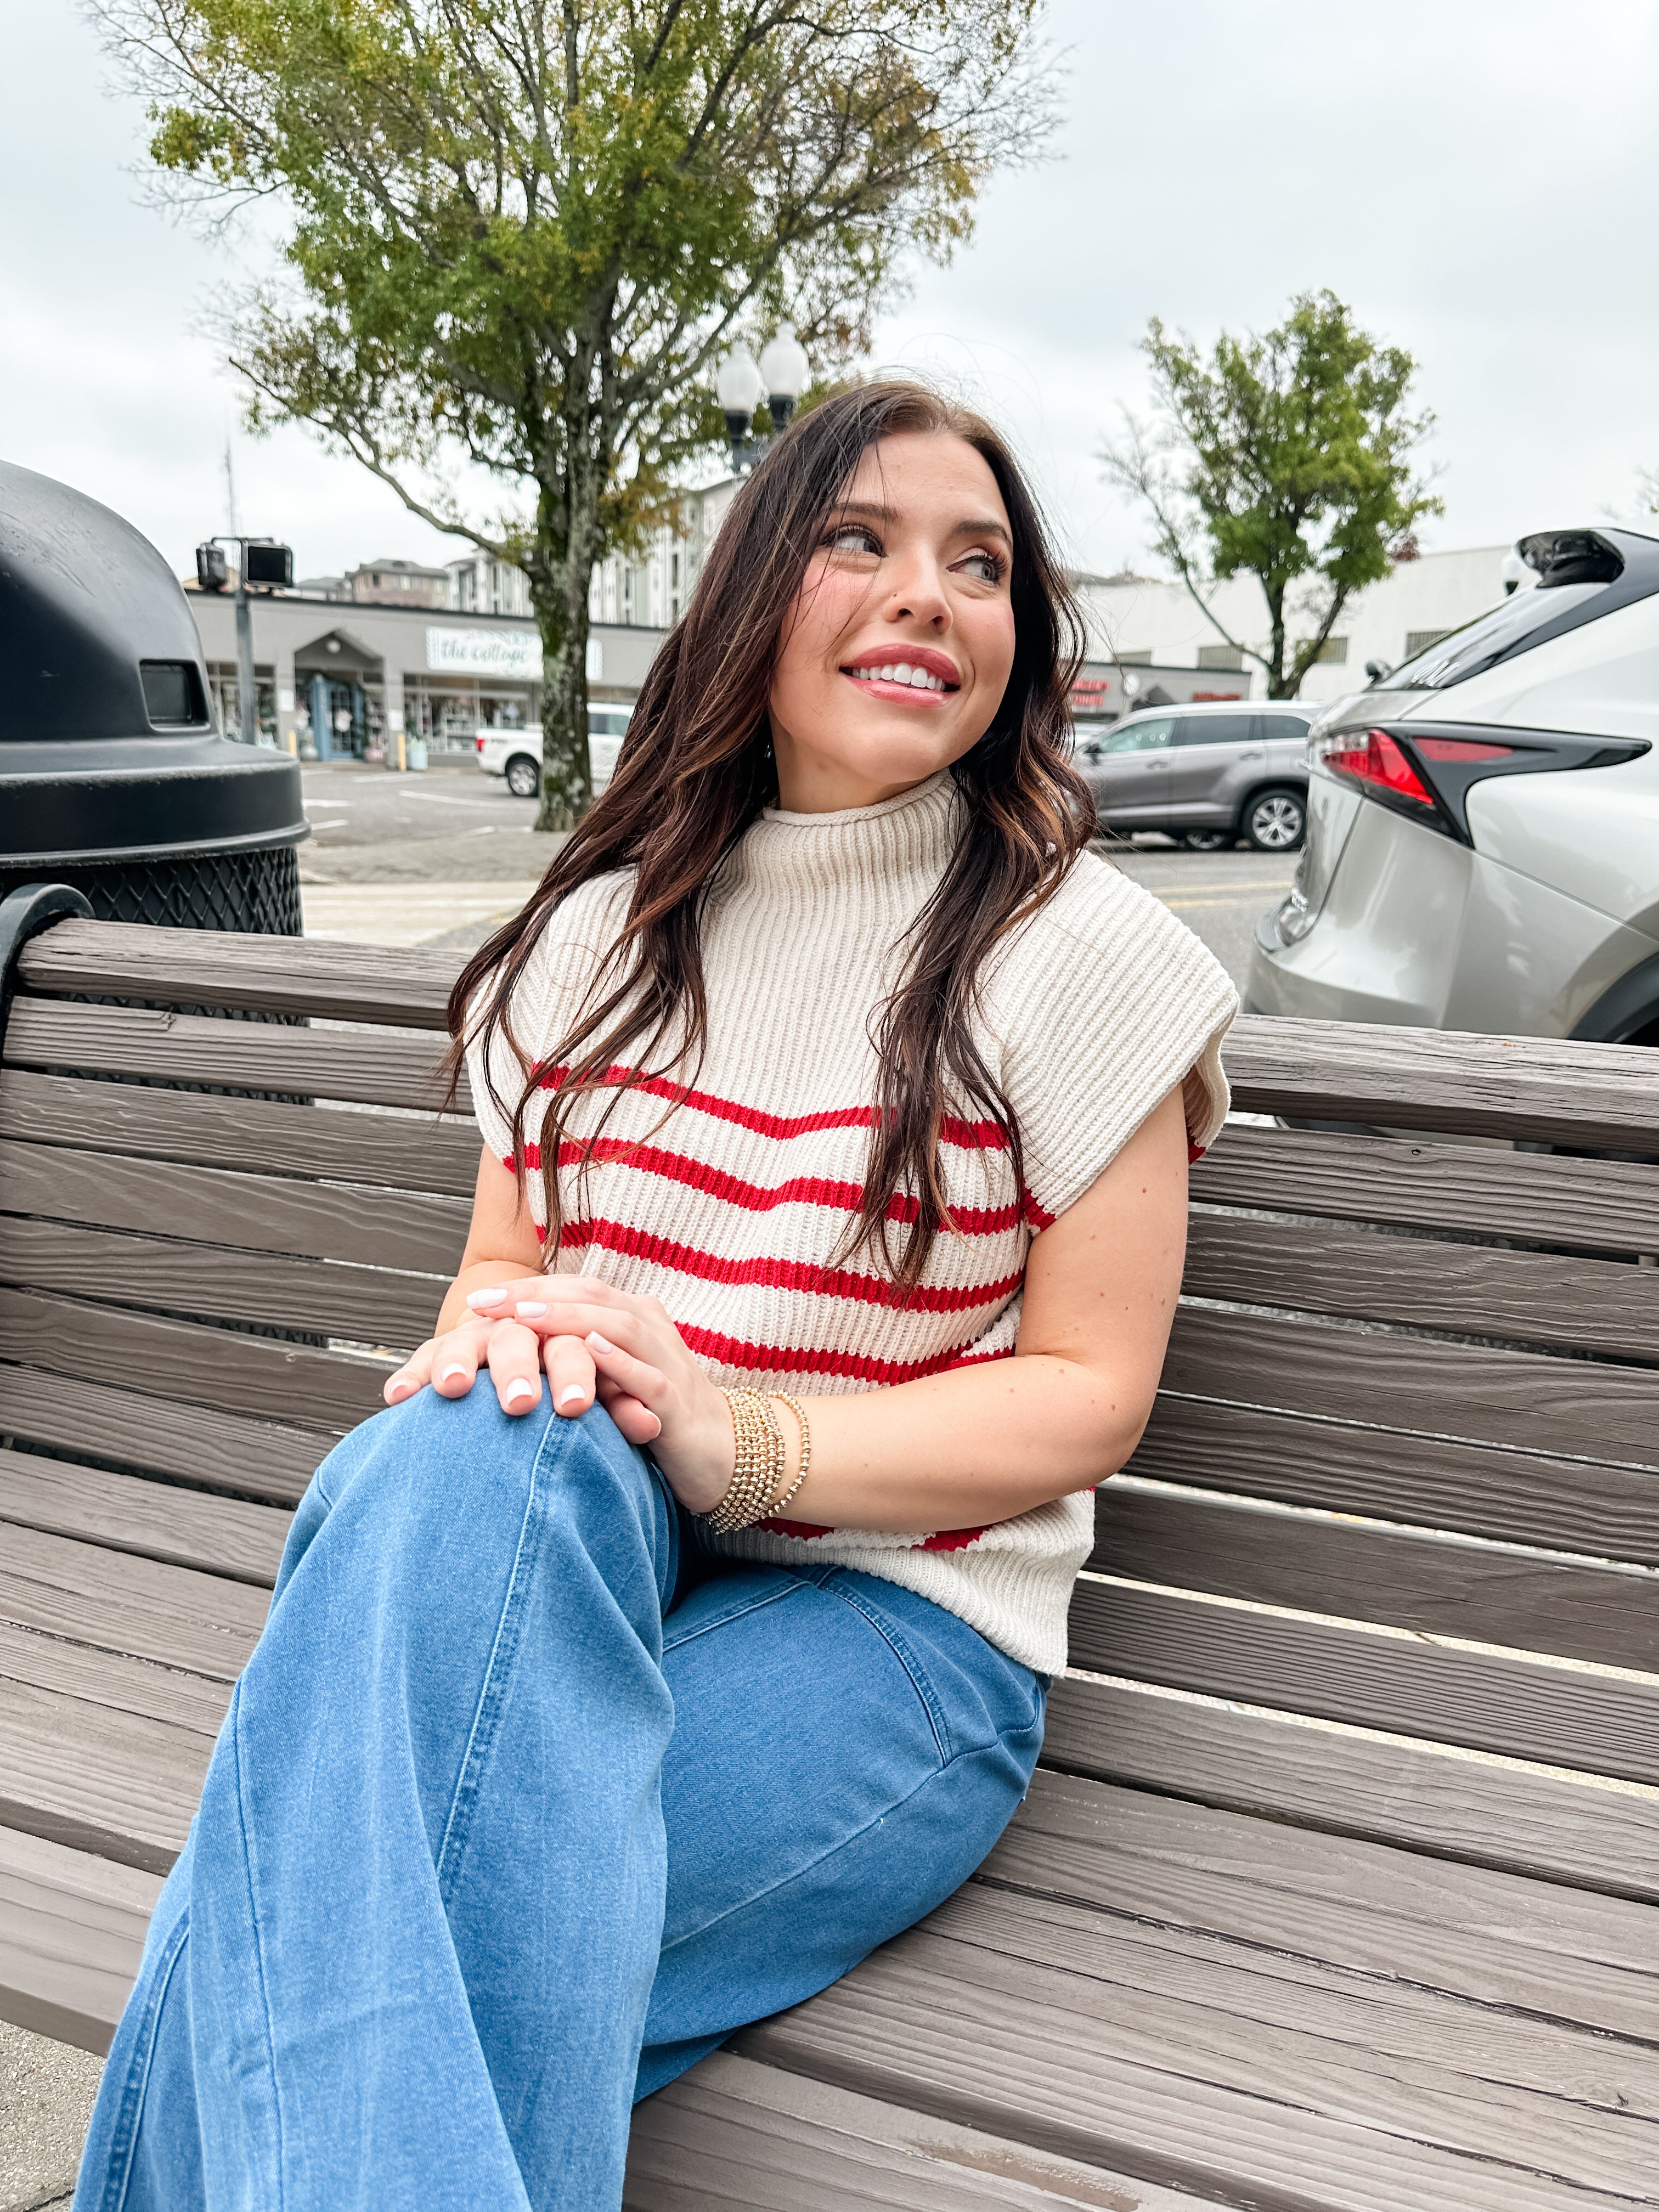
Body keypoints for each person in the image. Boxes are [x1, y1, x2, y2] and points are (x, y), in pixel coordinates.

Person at [75, 382, 1236, 2212]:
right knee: (453, 1441)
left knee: (304, 1912)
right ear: (746, 598)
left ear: (1020, 645)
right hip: (565, 1559)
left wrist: (734, 1436)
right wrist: (518, 1343)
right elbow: (497, 1275)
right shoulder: (593, 933)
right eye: (860, 539)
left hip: (893, 1625)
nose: (928, 592)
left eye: (980, 563)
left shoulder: (1082, 956)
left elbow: (1088, 1394)